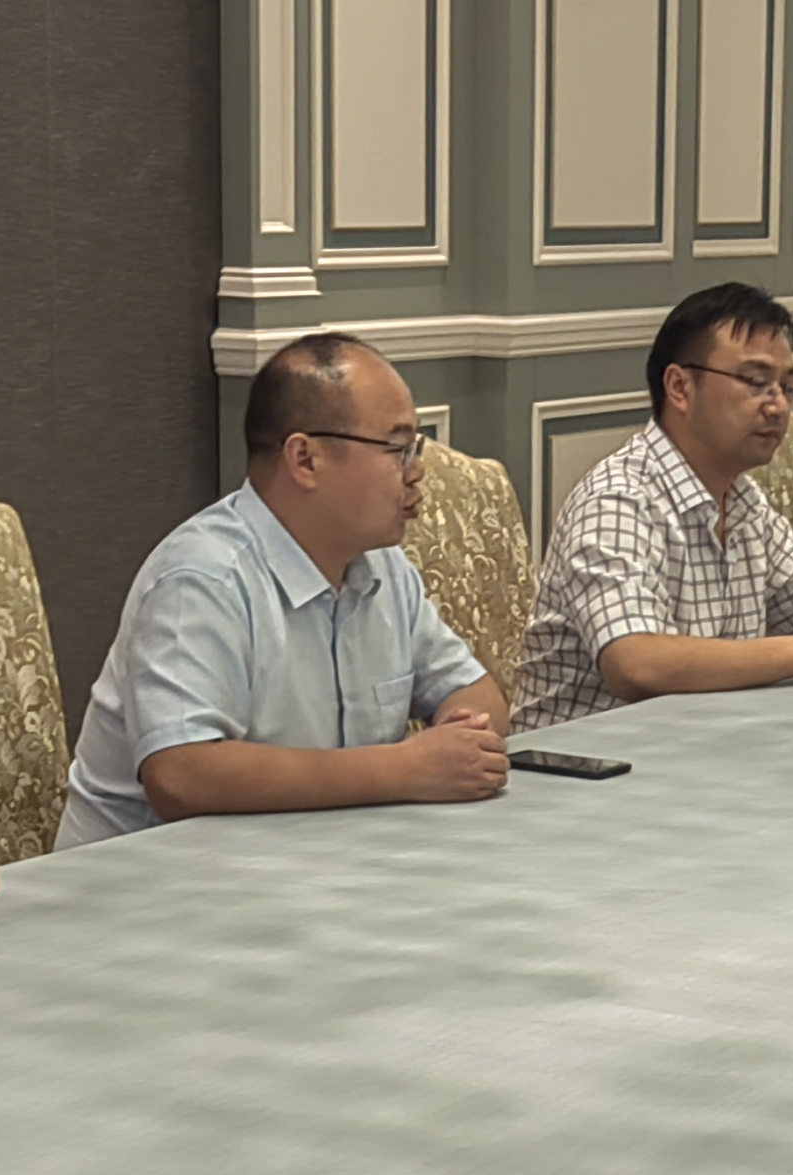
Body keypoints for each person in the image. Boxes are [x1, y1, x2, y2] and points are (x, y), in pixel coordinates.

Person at [59, 334, 507, 842]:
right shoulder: (202, 578)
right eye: (397, 449)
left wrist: (463, 737)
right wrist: (403, 769)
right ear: (305, 459)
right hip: (153, 876)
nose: (416, 471)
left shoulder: (380, 565)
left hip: (316, 858)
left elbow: (476, 694)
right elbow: (182, 775)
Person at [515, 283, 793, 728]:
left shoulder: (745, 501)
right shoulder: (617, 499)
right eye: (756, 383)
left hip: (705, 741)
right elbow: (636, 664)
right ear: (679, 387)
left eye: (788, 387)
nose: (778, 407)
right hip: (587, 755)